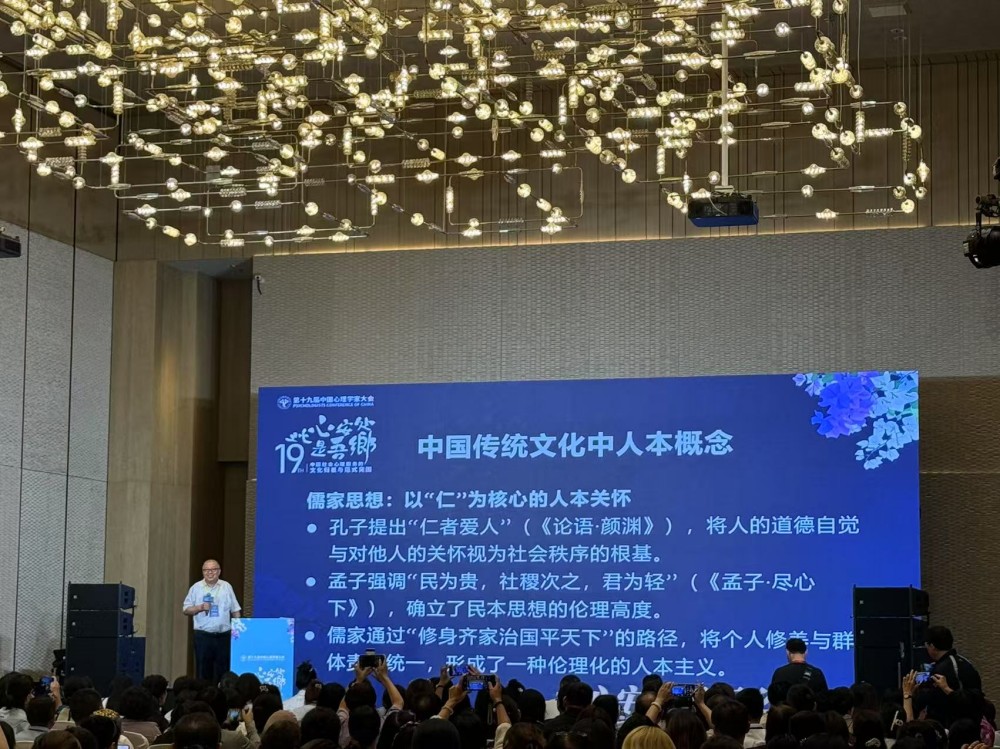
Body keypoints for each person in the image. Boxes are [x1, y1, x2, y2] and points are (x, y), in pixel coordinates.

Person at [183, 559, 242, 683]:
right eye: (206, 570)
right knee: (203, 671)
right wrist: (200, 607)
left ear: (219, 571)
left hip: (224, 636)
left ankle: (223, 693)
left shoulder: (226, 587)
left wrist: (238, 631)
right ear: (203, 572)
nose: (210, 572)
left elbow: (235, 610)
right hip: (203, 636)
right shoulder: (196, 588)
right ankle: (204, 694)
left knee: (224, 671)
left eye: (213, 569)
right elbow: (186, 609)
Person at [922, 626, 983, 723]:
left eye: (926, 645)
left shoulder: (941, 669)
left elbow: (935, 702)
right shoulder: (964, 661)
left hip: (953, 723)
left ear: (932, 646)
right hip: (971, 721)